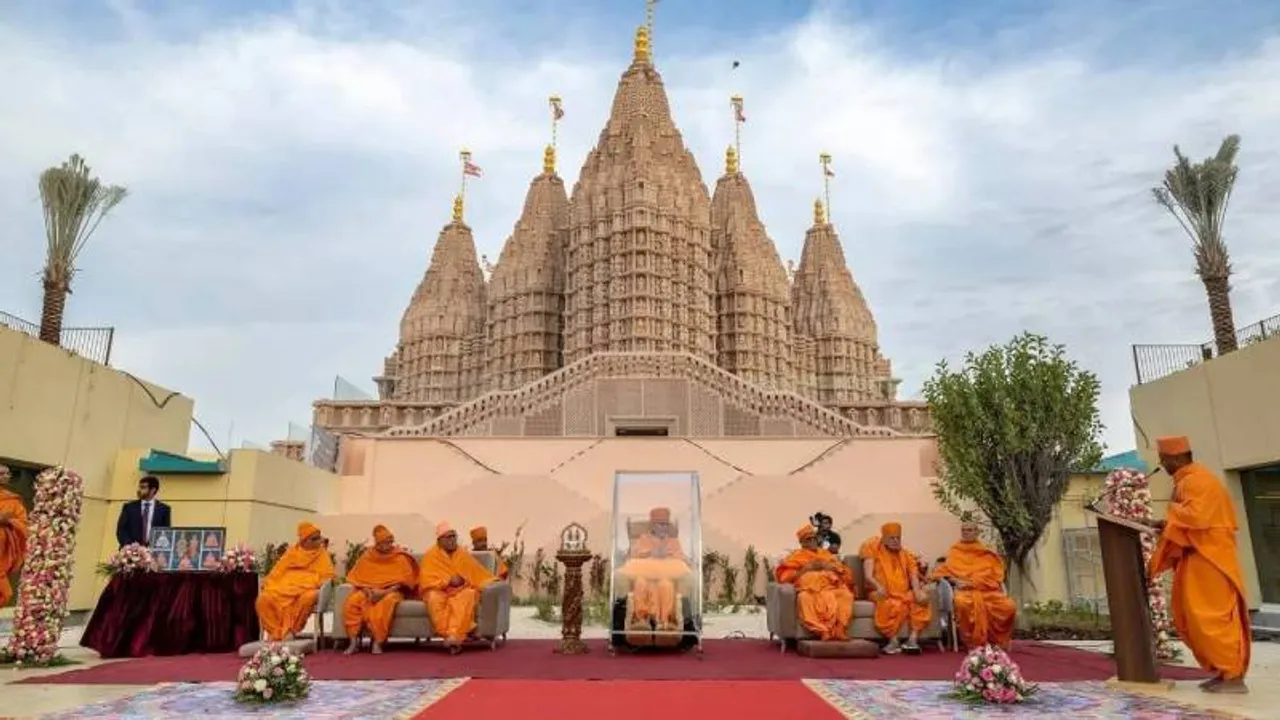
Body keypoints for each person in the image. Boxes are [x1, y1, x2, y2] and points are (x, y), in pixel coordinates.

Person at [1148, 435, 1251, 694]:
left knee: (1211, 618)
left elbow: (1197, 518)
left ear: (1178, 457)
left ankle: (1234, 677)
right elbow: (1191, 520)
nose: (1163, 465)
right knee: (1193, 618)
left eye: (1164, 460)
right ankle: (1223, 672)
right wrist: (1166, 524)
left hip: (1210, 560)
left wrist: (1171, 517)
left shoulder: (1197, 481)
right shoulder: (1188, 481)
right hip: (1197, 558)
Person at [929, 521, 1016, 649]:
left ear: (977, 532)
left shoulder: (986, 553)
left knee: (1009, 606)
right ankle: (973, 641)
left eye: (969, 530)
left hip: (987, 590)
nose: (966, 533)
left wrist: (976, 582)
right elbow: (947, 571)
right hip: (965, 591)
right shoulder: (955, 551)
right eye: (963, 530)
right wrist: (956, 581)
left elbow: (995, 576)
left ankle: (996, 641)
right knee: (962, 603)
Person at [418, 521, 496, 654]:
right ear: (440, 540)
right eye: (448, 537)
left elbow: (475, 574)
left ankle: (453, 636)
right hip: (439, 590)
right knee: (433, 598)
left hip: (461, 590)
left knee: (469, 595)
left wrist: (462, 581)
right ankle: (452, 636)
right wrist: (447, 581)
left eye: (454, 536)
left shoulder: (462, 554)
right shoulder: (431, 556)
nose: (452, 540)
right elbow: (426, 581)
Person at [343, 525, 419, 655]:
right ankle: (353, 641)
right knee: (352, 602)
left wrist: (384, 592)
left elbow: (405, 582)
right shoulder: (368, 556)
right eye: (384, 543)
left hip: (392, 591)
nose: (388, 545)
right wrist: (369, 591)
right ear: (377, 544)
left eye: (390, 542)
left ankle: (378, 641)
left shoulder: (399, 557)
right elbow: (359, 578)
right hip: (370, 590)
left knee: (386, 603)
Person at [255, 521, 336, 642]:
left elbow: (328, 576)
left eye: (319, 538)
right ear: (305, 541)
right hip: (283, 587)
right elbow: (277, 572)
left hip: (307, 589)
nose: (319, 541)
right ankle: (277, 632)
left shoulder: (322, 554)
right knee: (263, 600)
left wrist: (308, 581)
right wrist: (269, 583)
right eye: (315, 539)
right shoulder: (292, 553)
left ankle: (290, 630)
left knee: (309, 597)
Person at [860, 521, 932, 654]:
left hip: (902, 592)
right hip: (880, 591)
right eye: (892, 538)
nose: (895, 541)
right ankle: (893, 641)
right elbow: (868, 577)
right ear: (884, 538)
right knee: (888, 604)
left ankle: (912, 640)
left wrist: (917, 592)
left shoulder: (905, 554)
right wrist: (878, 587)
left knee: (920, 601)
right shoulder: (872, 549)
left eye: (898, 538)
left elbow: (913, 575)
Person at [775, 523, 854, 640]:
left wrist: (828, 567)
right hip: (810, 590)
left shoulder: (825, 554)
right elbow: (784, 577)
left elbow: (843, 571)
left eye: (814, 538)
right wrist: (806, 569)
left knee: (846, 595)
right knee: (803, 598)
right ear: (802, 543)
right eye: (808, 539)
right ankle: (822, 631)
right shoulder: (796, 557)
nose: (812, 541)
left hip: (831, 588)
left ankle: (840, 630)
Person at [618, 507, 691, 631]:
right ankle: (642, 619)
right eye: (660, 525)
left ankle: (665, 621)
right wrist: (652, 553)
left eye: (666, 525)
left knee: (666, 585)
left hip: (665, 575)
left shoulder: (674, 541)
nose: (663, 528)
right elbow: (635, 557)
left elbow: (680, 558)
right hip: (646, 573)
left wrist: (667, 555)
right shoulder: (643, 538)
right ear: (653, 526)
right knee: (641, 582)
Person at [0, 464, 30, 607]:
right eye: (2, 473)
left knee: (5, 594)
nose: (6, 476)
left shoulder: (13, 501)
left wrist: (10, 521)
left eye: (7, 474)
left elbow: (24, 525)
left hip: (3, 552)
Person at [115, 475, 171, 547]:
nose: (139, 490)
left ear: (153, 490)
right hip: (131, 551)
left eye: (143, 487)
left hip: (153, 552)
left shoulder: (164, 509)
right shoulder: (129, 507)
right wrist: (130, 545)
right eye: (139, 487)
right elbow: (121, 530)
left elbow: (165, 532)